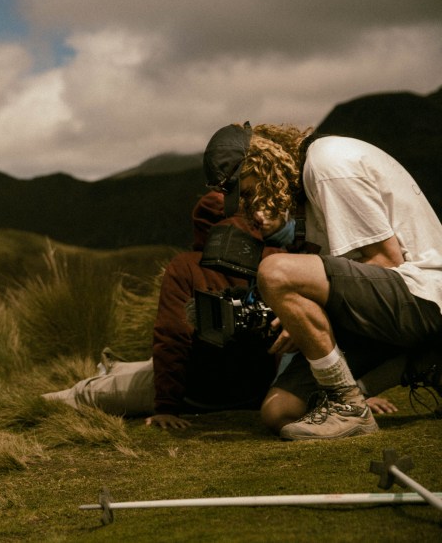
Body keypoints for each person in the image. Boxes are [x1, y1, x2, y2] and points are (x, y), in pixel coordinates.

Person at [37, 191, 400, 429]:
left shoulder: (199, 264)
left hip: (214, 390)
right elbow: (322, 332)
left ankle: (107, 370)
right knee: (87, 396)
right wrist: (165, 407)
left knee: (106, 390)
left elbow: (171, 338)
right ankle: (39, 399)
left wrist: (352, 395)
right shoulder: (280, 263)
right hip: (202, 390)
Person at [204, 122, 442, 440]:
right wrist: (301, 318)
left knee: (274, 272)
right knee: (279, 411)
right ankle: (422, 361)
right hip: (387, 308)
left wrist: (307, 312)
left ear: (261, 162)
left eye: (246, 190)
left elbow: (387, 262)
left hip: (422, 295)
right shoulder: (306, 192)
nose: (250, 203)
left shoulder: (329, 164)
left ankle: (348, 404)